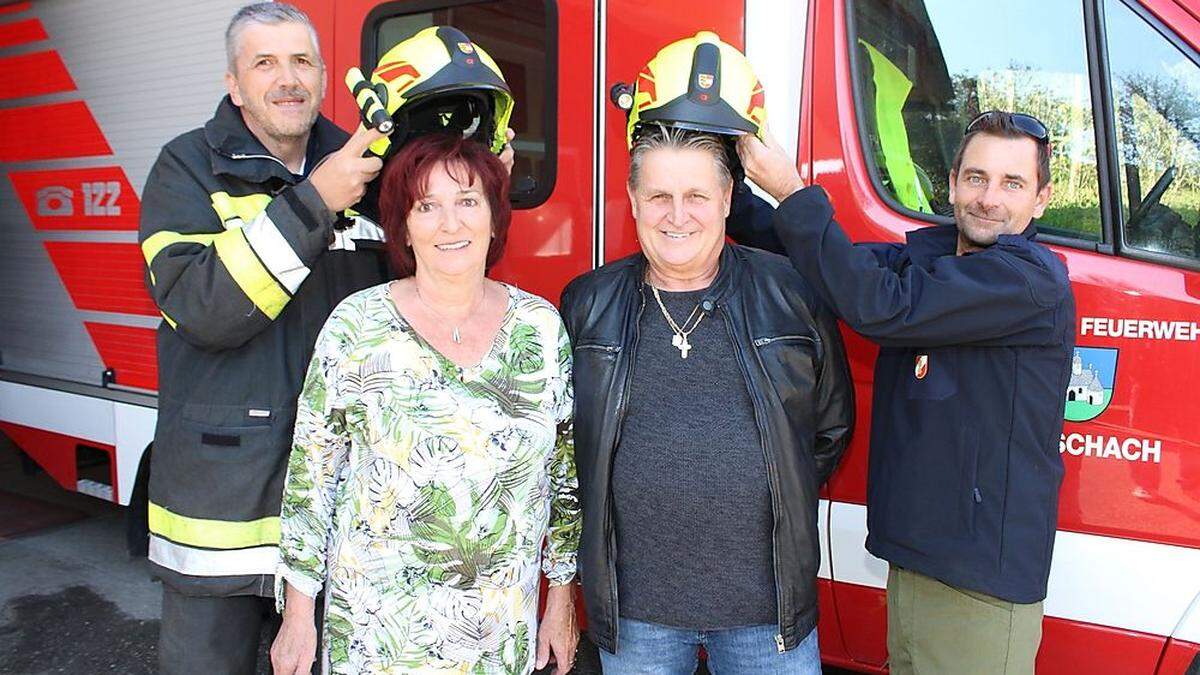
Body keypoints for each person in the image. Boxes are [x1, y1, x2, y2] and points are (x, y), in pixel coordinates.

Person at [733, 110, 1077, 674]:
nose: (989, 197)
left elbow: (880, 306)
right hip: (918, 560)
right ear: (952, 184)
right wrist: (726, 174)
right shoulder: (931, 260)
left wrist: (793, 188)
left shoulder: (1028, 282)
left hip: (978, 584)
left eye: (1012, 183)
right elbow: (817, 261)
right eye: (976, 177)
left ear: (1041, 199)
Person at [561, 32, 854, 674]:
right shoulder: (586, 304)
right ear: (633, 201)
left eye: (697, 196)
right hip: (635, 617)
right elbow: (566, 451)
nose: (677, 215)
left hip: (766, 615)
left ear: (727, 200)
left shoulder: (793, 292)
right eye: (659, 196)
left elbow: (829, 428)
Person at [268, 130, 580, 675]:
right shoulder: (355, 327)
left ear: (493, 217)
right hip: (377, 637)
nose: (450, 223)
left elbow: (564, 477)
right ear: (404, 227)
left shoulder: (541, 329)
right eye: (427, 206)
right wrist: (298, 615)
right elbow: (311, 479)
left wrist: (559, 606)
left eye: (467, 202)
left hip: (497, 636)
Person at [137, 3, 389, 672]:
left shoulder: (367, 167)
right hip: (220, 510)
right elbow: (201, 307)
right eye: (265, 63)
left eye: (302, 61)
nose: (288, 79)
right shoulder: (184, 169)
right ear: (234, 83)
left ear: (324, 74)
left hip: (338, 501)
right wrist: (316, 200)